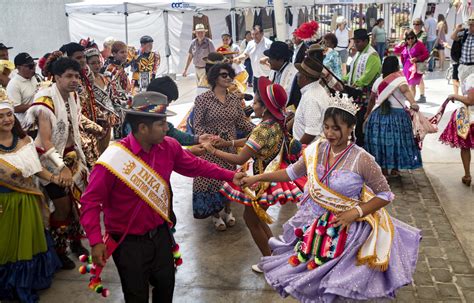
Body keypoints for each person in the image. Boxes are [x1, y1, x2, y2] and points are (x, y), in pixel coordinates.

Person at [241, 95, 421, 302]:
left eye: (336, 128)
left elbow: (385, 194)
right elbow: (291, 173)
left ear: (351, 127)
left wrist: (356, 212)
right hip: (311, 222)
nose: (329, 133)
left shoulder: (362, 159)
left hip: (346, 229)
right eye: (326, 127)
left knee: (334, 286)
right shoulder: (316, 149)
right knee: (308, 280)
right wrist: (258, 177)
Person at [80, 91, 246, 303]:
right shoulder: (114, 160)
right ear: (142, 128)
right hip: (128, 243)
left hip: (161, 235)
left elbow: (197, 166)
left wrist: (232, 175)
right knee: (136, 295)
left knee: (166, 288)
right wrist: (95, 241)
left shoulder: (169, 146)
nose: (167, 128)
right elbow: (90, 202)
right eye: (161, 124)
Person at [203, 78, 303, 272]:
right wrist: (225, 143)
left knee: (252, 220)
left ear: (265, 108)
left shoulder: (262, 129)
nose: (252, 106)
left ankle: (269, 262)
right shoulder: (276, 124)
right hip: (269, 177)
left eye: (256, 102)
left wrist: (212, 151)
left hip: (258, 182)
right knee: (258, 219)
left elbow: (240, 158)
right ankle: (274, 256)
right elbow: (249, 142)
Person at [25, 56, 89, 269]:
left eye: (77, 76)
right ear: (57, 77)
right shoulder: (45, 101)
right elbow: (45, 141)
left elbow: (75, 128)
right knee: (62, 208)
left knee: (76, 204)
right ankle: (59, 251)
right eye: (69, 76)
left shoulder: (74, 97)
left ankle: (76, 242)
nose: (74, 80)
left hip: (72, 155)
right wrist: (61, 167)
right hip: (49, 160)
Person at [0, 90, 62, 303]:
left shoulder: (25, 140)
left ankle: (24, 284)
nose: (7, 119)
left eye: (9, 114)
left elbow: (36, 169)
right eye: (0, 116)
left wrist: (55, 178)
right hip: (3, 205)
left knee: (26, 244)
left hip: (27, 202)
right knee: (6, 246)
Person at [192, 63, 254, 230]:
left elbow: (241, 122)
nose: (228, 78)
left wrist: (260, 130)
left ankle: (228, 210)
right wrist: (208, 139)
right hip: (210, 148)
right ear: (214, 79)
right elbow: (196, 124)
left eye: (229, 75)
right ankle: (215, 215)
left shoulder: (234, 99)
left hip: (229, 148)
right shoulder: (203, 99)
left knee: (229, 178)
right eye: (224, 75)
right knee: (212, 180)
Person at [364, 56, 422, 178]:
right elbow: (406, 91)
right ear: (396, 67)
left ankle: (384, 170)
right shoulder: (399, 79)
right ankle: (395, 169)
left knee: (380, 143)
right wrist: (413, 103)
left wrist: (368, 113)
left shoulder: (379, 80)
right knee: (397, 142)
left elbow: (372, 99)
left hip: (379, 117)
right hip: (397, 117)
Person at [60, 43, 107, 168]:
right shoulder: (64, 83)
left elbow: (88, 100)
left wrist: (100, 115)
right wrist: (94, 127)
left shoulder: (85, 75)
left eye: (83, 57)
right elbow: (70, 112)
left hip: (88, 126)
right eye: (78, 58)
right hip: (75, 132)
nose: (82, 61)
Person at [344, 28, 381, 146]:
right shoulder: (359, 54)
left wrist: (357, 83)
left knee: (362, 121)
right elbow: (353, 72)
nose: (355, 44)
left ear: (366, 41)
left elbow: (368, 75)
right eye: (355, 42)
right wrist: (344, 79)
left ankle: (363, 145)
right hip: (356, 93)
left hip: (366, 94)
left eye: (358, 42)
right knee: (355, 120)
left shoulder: (372, 55)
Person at [439, 73, 474, 186]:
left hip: (471, 117)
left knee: (465, 146)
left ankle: (467, 175)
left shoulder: (472, 78)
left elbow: (470, 100)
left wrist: (454, 96)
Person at [85, 48, 117, 153]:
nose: (97, 65)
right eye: (93, 63)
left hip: (107, 121)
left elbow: (112, 97)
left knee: (105, 149)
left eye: (98, 62)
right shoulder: (85, 83)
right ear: (87, 64)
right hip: (94, 121)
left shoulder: (105, 79)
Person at [292, 57, 331, 145]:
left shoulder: (311, 98)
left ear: (305, 77)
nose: (297, 75)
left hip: (309, 150)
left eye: (299, 73)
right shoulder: (314, 90)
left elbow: (311, 132)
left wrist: (296, 151)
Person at [6, 53, 40, 129]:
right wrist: (37, 105)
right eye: (30, 66)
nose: (33, 68)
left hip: (39, 123)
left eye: (34, 65)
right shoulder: (14, 84)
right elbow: (15, 108)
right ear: (18, 67)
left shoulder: (35, 78)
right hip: (25, 127)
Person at [394, 30, 430, 103]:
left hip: (415, 67)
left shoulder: (419, 44)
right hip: (406, 68)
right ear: (406, 39)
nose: (410, 40)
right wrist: (400, 44)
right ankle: (410, 100)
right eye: (408, 38)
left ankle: (412, 102)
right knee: (408, 85)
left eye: (412, 38)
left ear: (415, 37)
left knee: (412, 85)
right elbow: (396, 51)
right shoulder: (405, 45)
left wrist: (417, 58)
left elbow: (426, 54)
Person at [234, 25, 272, 92]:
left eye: (256, 34)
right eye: (252, 34)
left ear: (262, 33)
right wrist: (238, 58)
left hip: (267, 76)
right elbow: (245, 54)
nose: (254, 36)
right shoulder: (250, 43)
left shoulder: (269, 44)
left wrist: (266, 59)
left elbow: (274, 57)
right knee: (256, 98)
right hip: (256, 77)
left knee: (267, 98)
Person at [451, 13, 474, 86]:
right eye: (469, 24)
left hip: (473, 66)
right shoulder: (464, 33)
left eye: (472, 25)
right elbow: (453, 37)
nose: (470, 26)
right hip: (463, 66)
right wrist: (457, 30)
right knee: (464, 89)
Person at [411, 18, 428, 103]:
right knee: (412, 79)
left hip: (420, 59)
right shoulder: (411, 33)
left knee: (420, 78)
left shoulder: (423, 34)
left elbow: (419, 42)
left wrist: (410, 39)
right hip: (411, 59)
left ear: (421, 25)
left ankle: (422, 96)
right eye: (414, 24)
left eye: (417, 24)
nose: (415, 26)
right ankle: (412, 98)